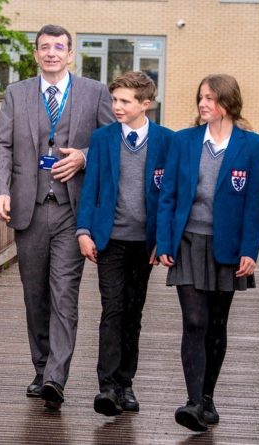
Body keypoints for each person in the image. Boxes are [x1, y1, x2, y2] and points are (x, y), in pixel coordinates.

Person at [0, 24, 114, 410]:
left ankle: (55, 378)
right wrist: (0, 189)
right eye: (44, 48)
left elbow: (111, 145)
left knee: (64, 293)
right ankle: (41, 367)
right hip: (29, 207)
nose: (51, 54)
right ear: (36, 54)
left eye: (58, 48)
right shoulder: (17, 93)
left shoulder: (95, 93)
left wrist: (85, 156)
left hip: (72, 210)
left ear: (70, 53)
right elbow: (2, 146)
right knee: (35, 295)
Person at [156, 74, 259, 431]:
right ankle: (192, 402)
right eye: (200, 97)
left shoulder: (251, 146)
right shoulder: (184, 141)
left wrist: (250, 250)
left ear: (228, 102)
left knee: (217, 325)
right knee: (194, 321)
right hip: (188, 241)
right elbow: (168, 195)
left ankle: (207, 398)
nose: (203, 104)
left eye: (210, 98)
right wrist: (164, 240)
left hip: (227, 247)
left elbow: (256, 203)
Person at [75, 71, 174, 416]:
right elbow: (92, 188)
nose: (116, 106)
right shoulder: (103, 139)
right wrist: (84, 230)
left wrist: (163, 240)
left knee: (133, 313)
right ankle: (107, 387)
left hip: (143, 243)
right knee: (112, 309)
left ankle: (126, 384)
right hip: (110, 240)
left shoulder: (166, 140)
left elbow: (169, 196)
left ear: (145, 104)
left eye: (124, 101)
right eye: (114, 100)